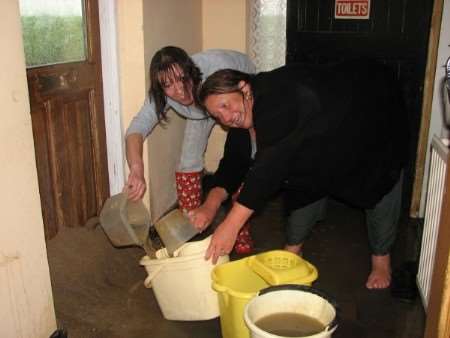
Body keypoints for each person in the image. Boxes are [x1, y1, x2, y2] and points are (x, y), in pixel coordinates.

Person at [189, 60, 408, 289]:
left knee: (377, 184)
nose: (225, 118)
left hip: (368, 122)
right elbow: (233, 164)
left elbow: (268, 167)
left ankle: (381, 258)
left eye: (225, 105)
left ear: (244, 88)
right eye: (217, 115)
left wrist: (230, 225)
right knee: (303, 181)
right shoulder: (242, 118)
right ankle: (294, 249)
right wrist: (210, 204)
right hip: (319, 147)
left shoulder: (276, 99)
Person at [125, 46, 256, 254]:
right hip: (199, 111)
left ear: (191, 71)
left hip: (232, 100)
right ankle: (190, 231)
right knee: (187, 164)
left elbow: (245, 92)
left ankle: (238, 230)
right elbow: (137, 128)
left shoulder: (218, 69)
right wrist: (136, 167)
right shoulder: (163, 93)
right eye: (168, 85)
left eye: (182, 79)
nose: (178, 90)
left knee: (243, 160)